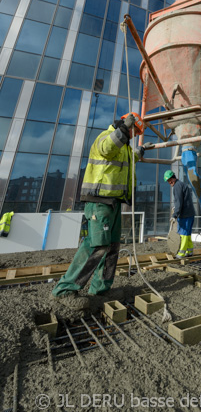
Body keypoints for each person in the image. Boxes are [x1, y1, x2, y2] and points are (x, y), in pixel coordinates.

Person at [52, 112, 145, 307]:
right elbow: (106, 149)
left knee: (112, 247)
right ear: (126, 125)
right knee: (97, 245)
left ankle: (100, 290)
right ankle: (65, 290)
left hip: (114, 203)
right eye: (134, 131)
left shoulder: (125, 147)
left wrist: (139, 153)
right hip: (99, 201)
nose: (134, 135)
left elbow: (125, 161)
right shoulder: (106, 137)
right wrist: (122, 130)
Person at [164, 170, 195, 258]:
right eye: (168, 181)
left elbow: (179, 202)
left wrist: (174, 215)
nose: (169, 183)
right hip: (190, 213)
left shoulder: (177, 186)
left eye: (170, 180)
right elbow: (181, 201)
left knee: (183, 234)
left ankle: (181, 253)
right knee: (188, 234)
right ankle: (189, 251)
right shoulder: (181, 184)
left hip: (185, 215)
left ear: (173, 178)